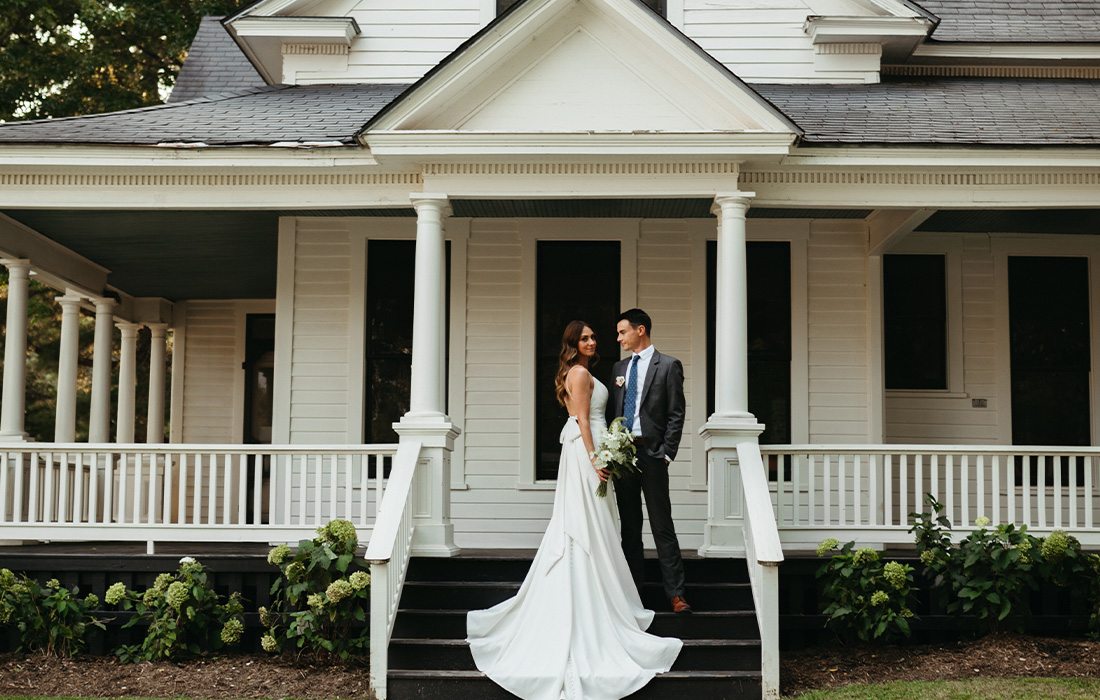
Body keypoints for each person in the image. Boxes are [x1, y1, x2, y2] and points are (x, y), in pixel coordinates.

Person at [467, 320, 682, 700]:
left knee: (601, 524)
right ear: (572, 344)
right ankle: (590, 600)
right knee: (589, 525)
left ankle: (618, 591)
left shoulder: (592, 371)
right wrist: (594, 455)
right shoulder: (581, 373)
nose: (593, 341)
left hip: (599, 449)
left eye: (593, 337)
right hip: (588, 452)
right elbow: (583, 418)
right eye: (585, 337)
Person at [610, 308, 691, 614]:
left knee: (662, 525)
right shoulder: (619, 368)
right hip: (623, 456)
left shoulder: (668, 365)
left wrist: (667, 453)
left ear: (640, 330)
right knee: (630, 528)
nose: (619, 338)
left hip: (654, 455)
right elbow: (614, 413)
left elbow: (676, 413)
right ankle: (633, 595)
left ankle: (676, 594)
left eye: (622, 332)